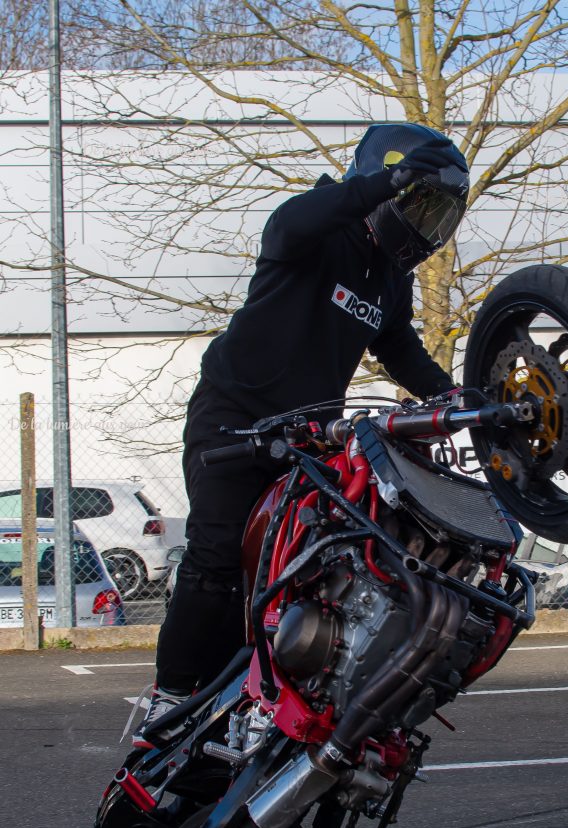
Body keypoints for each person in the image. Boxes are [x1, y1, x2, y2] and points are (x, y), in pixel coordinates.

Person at [133, 122, 470, 748]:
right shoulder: (317, 227)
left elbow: (400, 349)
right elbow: (289, 226)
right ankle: (168, 699)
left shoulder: (389, 281)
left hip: (309, 442)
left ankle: (255, 701)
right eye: (422, 205)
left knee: (296, 576)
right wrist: (381, 185)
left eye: (442, 216)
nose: (429, 228)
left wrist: (454, 398)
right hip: (234, 420)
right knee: (214, 563)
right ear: (389, 184)